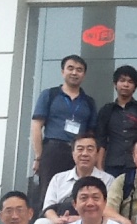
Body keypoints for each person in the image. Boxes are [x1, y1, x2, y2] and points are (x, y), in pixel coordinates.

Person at [31, 55, 97, 205]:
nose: (74, 73)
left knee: (79, 192)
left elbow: (92, 133)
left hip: (80, 153)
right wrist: (38, 157)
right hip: (54, 150)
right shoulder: (50, 94)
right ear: (62, 72)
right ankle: (47, 218)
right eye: (70, 68)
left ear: (84, 75)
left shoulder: (88, 101)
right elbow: (36, 126)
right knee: (48, 193)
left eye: (79, 70)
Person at [36, 134, 114, 224]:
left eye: (90, 149)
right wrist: (59, 221)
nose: (84, 154)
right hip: (60, 222)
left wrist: (79, 220)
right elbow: (48, 208)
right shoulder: (58, 178)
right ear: (73, 153)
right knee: (41, 223)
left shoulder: (108, 180)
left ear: (97, 154)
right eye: (80, 149)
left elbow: (108, 211)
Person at [96, 65, 137, 178]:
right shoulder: (106, 110)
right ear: (115, 84)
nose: (125, 84)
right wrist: (99, 167)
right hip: (113, 164)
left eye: (130, 82)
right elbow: (101, 140)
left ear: (135, 87)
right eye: (122, 80)